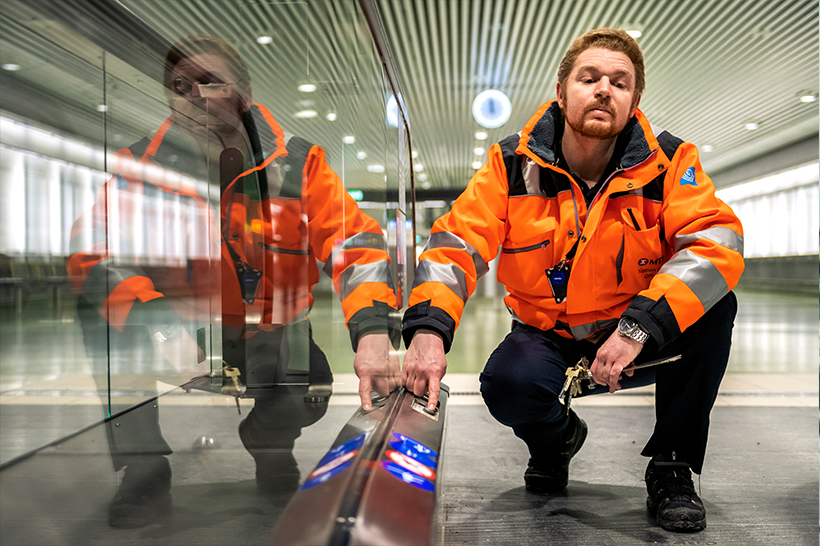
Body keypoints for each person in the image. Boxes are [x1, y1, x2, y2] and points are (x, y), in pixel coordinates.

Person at [401, 28, 743, 533]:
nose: (604, 89)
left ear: (634, 101)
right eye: (590, 78)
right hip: (550, 337)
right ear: (562, 93)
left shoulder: (670, 163)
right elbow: (457, 243)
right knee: (507, 385)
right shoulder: (512, 164)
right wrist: (429, 329)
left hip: (636, 338)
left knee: (716, 308)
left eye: (620, 82)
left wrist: (637, 328)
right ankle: (556, 441)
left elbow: (716, 245)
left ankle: (672, 467)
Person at [68, 34, 400, 528]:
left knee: (312, 388)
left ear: (243, 92)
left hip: (273, 333)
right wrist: (153, 319)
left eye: (210, 82)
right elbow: (91, 251)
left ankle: (269, 446)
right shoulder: (139, 168)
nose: (194, 95)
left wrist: (373, 329)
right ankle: (144, 471)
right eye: (181, 85)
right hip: (177, 333)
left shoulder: (298, 164)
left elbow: (357, 244)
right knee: (99, 312)